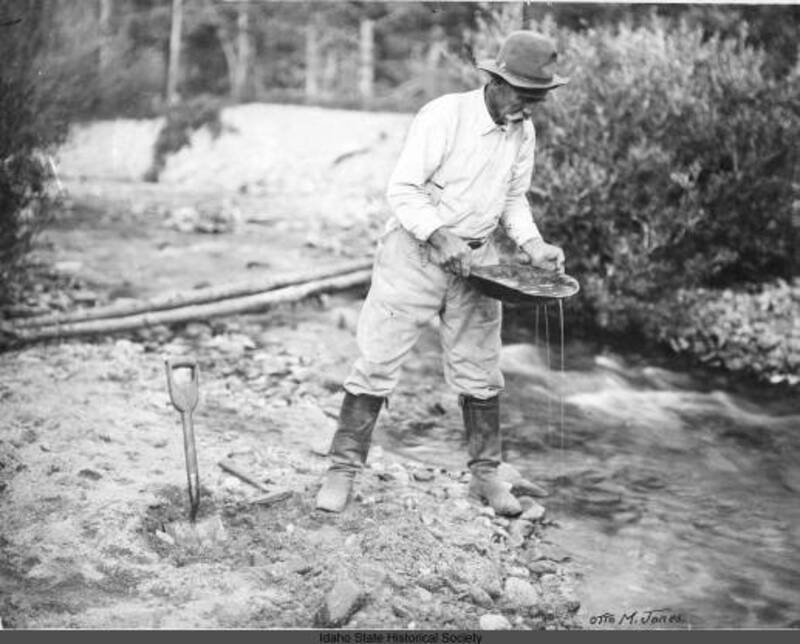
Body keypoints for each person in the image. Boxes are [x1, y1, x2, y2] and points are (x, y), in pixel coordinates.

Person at [316, 31, 568, 517]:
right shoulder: (444, 116)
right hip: (414, 252)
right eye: (523, 95)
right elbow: (403, 190)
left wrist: (534, 245)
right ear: (494, 81)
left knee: (481, 369)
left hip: (479, 261)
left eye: (538, 98)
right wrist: (439, 236)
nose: (529, 108)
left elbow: (514, 200)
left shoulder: (523, 131)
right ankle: (342, 470)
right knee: (377, 360)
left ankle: (486, 475)